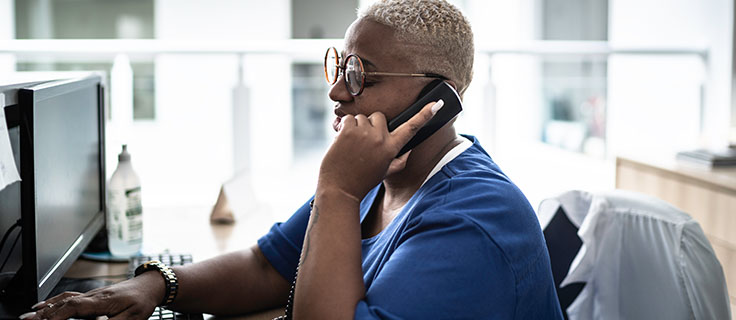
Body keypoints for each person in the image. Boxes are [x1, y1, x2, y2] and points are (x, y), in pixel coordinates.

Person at [24, 0, 563, 319]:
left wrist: (338, 189)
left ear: (437, 101)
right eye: (339, 66)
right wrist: (153, 286)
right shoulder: (384, 171)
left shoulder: (471, 224)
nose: (335, 92)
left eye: (360, 76)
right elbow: (269, 265)